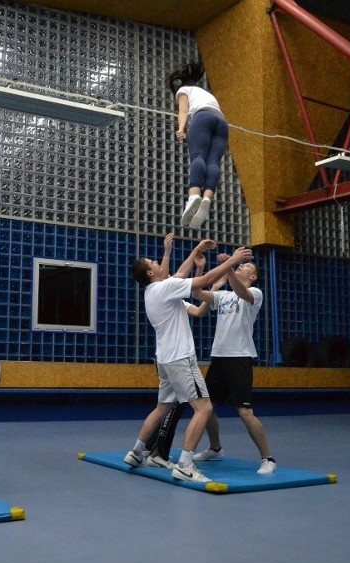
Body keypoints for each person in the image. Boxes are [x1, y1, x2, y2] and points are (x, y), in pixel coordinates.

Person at [125, 234, 252, 483]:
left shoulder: (155, 291)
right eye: (154, 263)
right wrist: (233, 260)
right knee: (203, 408)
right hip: (180, 358)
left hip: (164, 358)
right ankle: (185, 464)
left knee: (162, 407)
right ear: (151, 273)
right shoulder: (164, 288)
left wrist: (194, 251)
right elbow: (200, 280)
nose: (158, 264)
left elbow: (181, 277)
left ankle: (137, 452)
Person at [191, 254, 277, 474]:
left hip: (239, 357)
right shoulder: (223, 296)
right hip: (218, 357)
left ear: (253, 275)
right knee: (207, 408)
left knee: (245, 412)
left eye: (245, 265)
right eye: (239, 264)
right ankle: (215, 448)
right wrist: (201, 269)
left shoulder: (255, 294)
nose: (240, 266)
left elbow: (241, 291)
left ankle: (268, 458)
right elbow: (196, 292)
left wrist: (227, 268)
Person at [167, 60, 229, 229]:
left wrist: (181, 129)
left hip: (202, 118)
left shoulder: (183, 91)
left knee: (198, 156)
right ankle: (207, 198)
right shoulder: (205, 93)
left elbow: (184, 111)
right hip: (222, 123)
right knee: (213, 162)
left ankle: (194, 195)